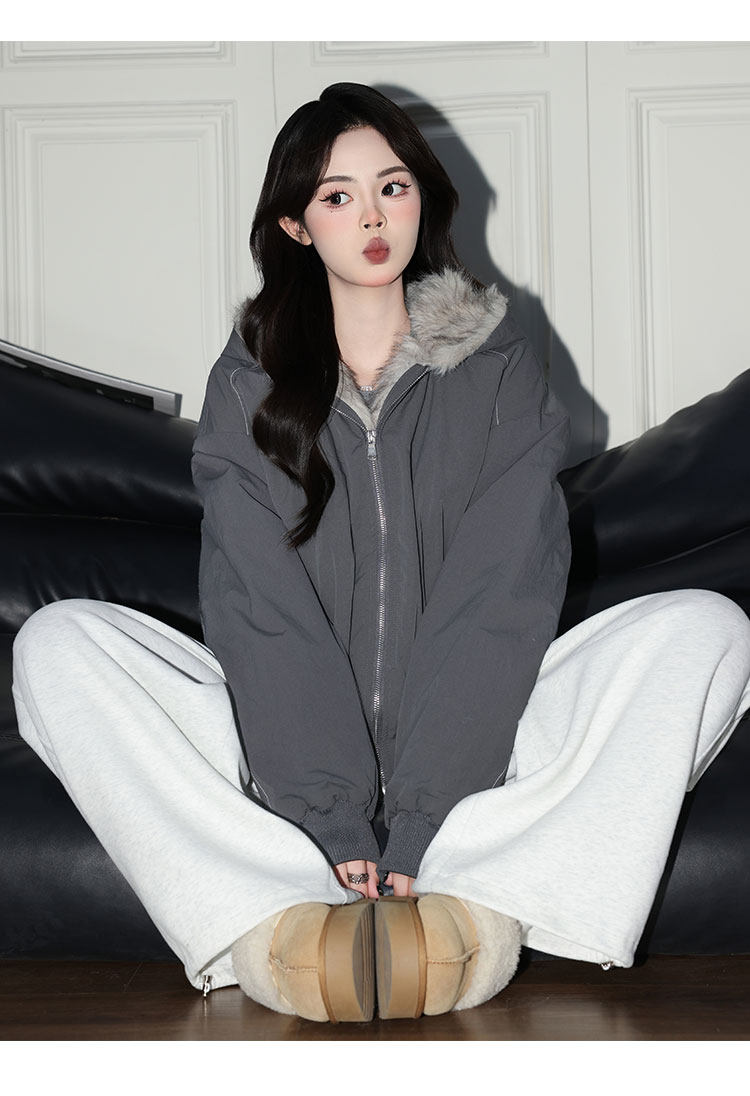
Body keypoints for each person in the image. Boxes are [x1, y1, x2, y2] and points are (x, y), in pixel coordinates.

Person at [11, 83, 750, 1024]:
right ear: (295, 225)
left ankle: (470, 903)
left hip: (485, 760)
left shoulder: (497, 365)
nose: (372, 217)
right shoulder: (246, 386)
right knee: (57, 643)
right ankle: (277, 914)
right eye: (338, 195)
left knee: (708, 630)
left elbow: (501, 592)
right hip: (279, 761)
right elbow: (260, 607)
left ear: (421, 200)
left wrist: (428, 814)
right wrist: (327, 812)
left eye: (392, 187)